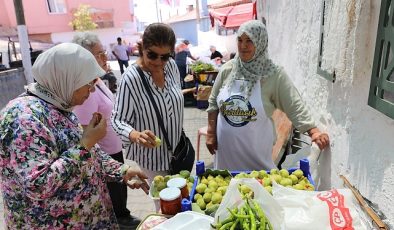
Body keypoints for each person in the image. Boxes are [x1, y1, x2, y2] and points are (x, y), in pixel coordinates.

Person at [0, 43, 149, 229]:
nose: (92, 90)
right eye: (88, 83)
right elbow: (38, 185)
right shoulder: (22, 118)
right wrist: (85, 143)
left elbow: (88, 154)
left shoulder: (60, 105)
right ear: (66, 78)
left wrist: (121, 171)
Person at [206, 20, 330, 171]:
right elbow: (213, 102)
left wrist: (313, 131)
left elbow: (294, 105)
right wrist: (211, 132)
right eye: (240, 40)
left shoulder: (273, 74)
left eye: (249, 40)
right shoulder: (228, 69)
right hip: (226, 155)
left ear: (261, 42)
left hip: (255, 157)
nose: (243, 46)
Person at [72, 32, 139, 229]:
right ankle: (120, 220)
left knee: (120, 189)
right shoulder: (85, 91)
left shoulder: (97, 81)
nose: (104, 58)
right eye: (98, 54)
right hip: (103, 152)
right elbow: (85, 131)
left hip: (113, 147)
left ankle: (122, 216)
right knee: (113, 194)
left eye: (104, 53)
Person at [111, 23, 183, 186]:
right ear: (142, 48)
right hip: (153, 159)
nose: (158, 62)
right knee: (165, 206)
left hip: (177, 152)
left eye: (164, 56)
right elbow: (117, 120)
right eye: (152, 55)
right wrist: (135, 135)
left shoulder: (171, 66)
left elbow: (172, 97)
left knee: (181, 199)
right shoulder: (130, 78)